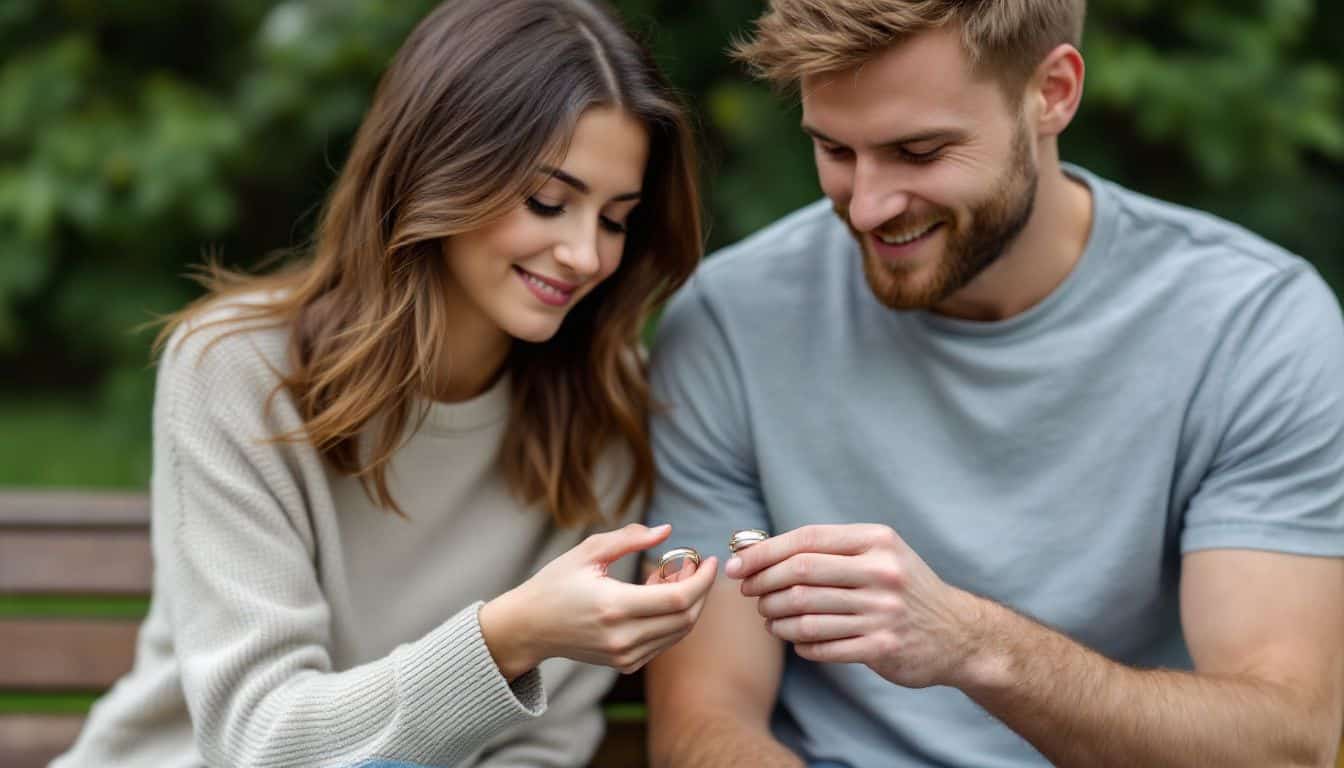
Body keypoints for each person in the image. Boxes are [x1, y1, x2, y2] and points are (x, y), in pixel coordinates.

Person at [643, 1, 1344, 766]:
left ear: (1053, 92)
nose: (869, 205)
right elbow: (703, 725)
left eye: (918, 151)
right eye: (835, 150)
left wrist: (975, 645)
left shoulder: (1251, 325)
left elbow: (1284, 743)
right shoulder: (731, 323)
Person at [51, 1, 717, 766]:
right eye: (548, 202)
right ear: (439, 168)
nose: (585, 255)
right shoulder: (234, 368)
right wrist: (510, 635)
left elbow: (543, 744)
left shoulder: (604, 399)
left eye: (615, 219)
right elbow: (259, 738)